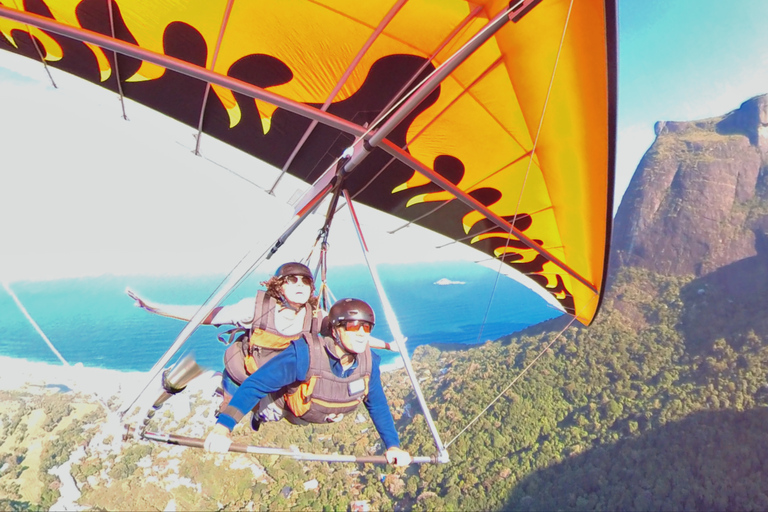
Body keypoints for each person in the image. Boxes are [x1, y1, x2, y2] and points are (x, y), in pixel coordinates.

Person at [128, 262, 396, 412]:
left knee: (278, 411)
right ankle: (210, 386)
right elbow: (206, 314)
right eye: (293, 280)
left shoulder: (316, 315)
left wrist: (387, 344)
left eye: (305, 282)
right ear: (279, 286)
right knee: (227, 411)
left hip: (276, 376)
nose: (301, 286)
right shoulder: (254, 309)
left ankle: (255, 404)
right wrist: (154, 307)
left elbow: (350, 336)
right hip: (245, 371)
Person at [203, 298, 412, 467]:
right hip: (281, 407)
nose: (361, 334)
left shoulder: (369, 362)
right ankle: (219, 385)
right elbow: (256, 385)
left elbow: (377, 404)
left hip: (311, 412)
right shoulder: (304, 354)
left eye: (366, 328)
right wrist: (224, 427)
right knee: (259, 400)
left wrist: (393, 446)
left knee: (301, 412)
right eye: (353, 326)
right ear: (336, 329)